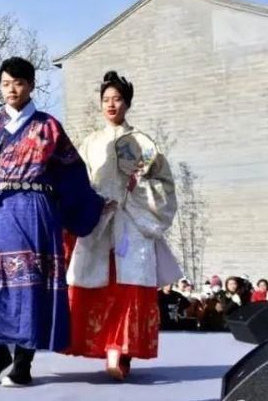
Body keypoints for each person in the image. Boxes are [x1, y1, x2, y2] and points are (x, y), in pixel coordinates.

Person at [0, 57, 103, 388]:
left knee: (29, 288)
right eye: (5, 83)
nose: (11, 90)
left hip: (34, 212)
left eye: (18, 83)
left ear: (31, 85)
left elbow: (73, 172)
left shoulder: (49, 127)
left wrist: (90, 205)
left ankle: (23, 362)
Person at [66, 71, 182, 381]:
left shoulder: (143, 143)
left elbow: (165, 186)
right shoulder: (90, 143)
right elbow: (78, 184)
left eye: (117, 99)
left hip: (131, 222)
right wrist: (93, 203)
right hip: (99, 222)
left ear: (127, 103)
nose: (111, 105)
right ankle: (106, 347)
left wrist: (135, 190)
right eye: (106, 100)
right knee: (98, 284)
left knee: (129, 287)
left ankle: (121, 350)